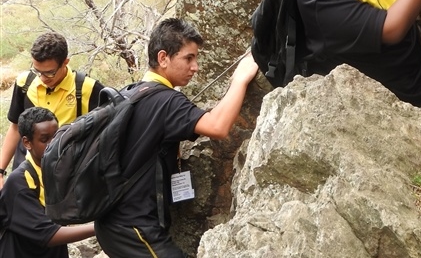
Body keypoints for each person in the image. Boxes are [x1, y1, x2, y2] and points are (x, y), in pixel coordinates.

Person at [93, 17, 259, 258]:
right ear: (163, 58)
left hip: (111, 223)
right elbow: (218, 126)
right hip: (134, 229)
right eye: (188, 58)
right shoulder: (166, 101)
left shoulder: (131, 92)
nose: (196, 67)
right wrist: (240, 79)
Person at [0, 32, 104, 188]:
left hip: (66, 184)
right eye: (37, 71)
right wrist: (0, 171)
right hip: (27, 179)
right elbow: (15, 128)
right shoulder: (25, 83)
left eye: (49, 72)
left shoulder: (87, 89)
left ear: (65, 62)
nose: (42, 78)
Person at [0, 106, 95, 258]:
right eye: (44, 140)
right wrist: (98, 228)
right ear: (27, 143)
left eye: (56, 137)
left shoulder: (60, 171)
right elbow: (48, 235)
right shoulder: (19, 183)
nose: (53, 144)